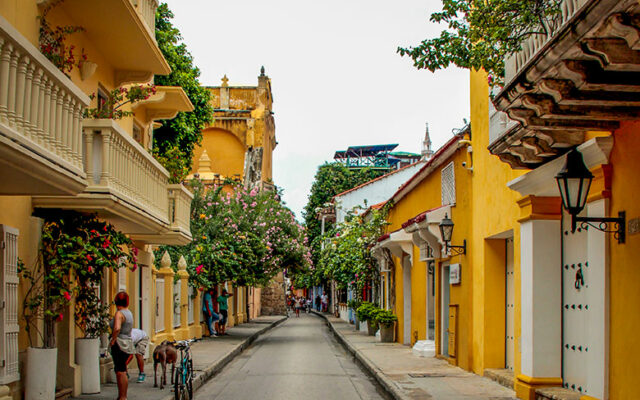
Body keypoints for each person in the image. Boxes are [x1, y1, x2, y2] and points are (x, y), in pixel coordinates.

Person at [110, 291, 135, 400]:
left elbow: (117, 328)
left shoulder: (119, 314)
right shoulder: (128, 313)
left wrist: (113, 339)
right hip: (127, 343)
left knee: (120, 371)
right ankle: (122, 395)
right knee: (122, 370)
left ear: (116, 301)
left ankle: (122, 396)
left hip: (119, 344)